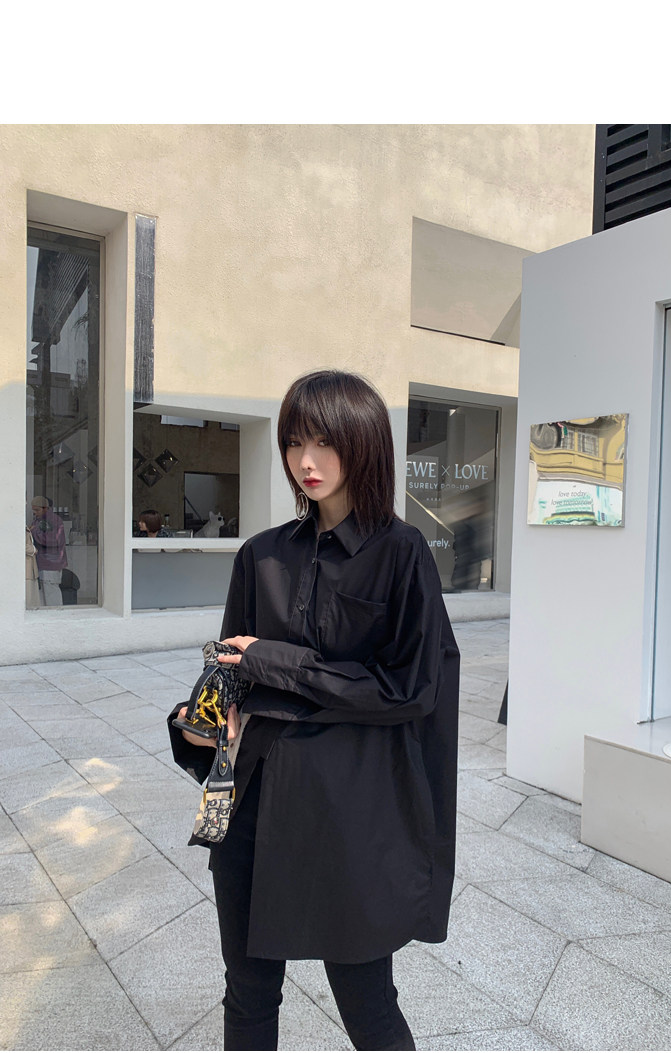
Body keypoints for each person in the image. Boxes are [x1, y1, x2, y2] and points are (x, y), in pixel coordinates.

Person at [168, 370, 460, 1052]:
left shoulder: (401, 553)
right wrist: (199, 720)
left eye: (325, 442)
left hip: (348, 813)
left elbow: (409, 690)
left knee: (368, 1004)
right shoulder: (261, 555)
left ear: (364, 445)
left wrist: (278, 662)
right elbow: (228, 673)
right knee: (247, 995)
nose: (306, 460)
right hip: (252, 804)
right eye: (295, 442)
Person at [29, 496, 67, 606]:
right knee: (43, 598)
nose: (35, 513)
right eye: (34, 510)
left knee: (52, 598)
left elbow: (53, 540)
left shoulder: (53, 520)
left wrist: (33, 532)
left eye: (37, 510)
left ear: (45, 508)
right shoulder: (40, 520)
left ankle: (56, 616)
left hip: (51, 564)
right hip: (44, 563)